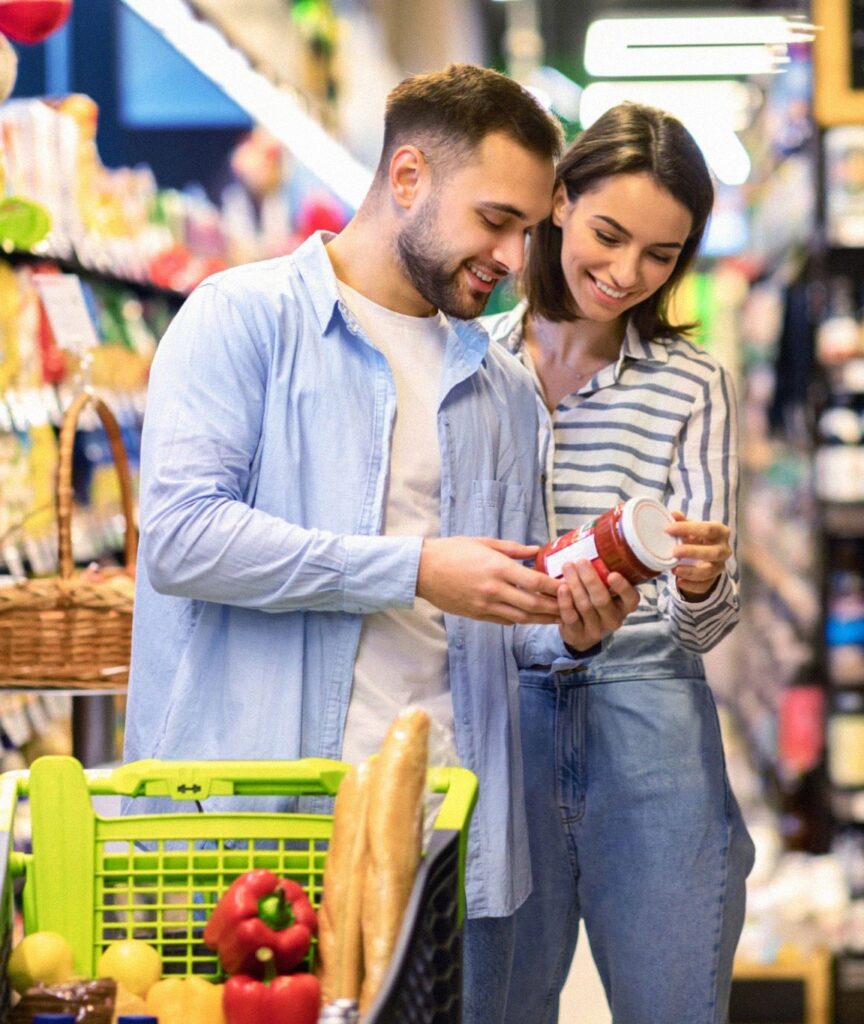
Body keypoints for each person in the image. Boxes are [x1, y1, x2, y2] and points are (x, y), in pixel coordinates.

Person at [124, 64, 640, 1021]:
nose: (514, 256)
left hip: (439, 843)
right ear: (407, 177)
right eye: (496, 220)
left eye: (530, 231)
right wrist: (412, 568)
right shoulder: (243, 319)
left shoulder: (504, 389)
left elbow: (502, 623)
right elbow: (184, 541)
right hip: (250, 832)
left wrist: (570, 625)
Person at [483, 102, 756, 1024]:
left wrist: (700, 578)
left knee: (674, 1005)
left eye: (661, 255)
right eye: (608, 234)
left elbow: (708, 626)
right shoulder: (472, 366)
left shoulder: (694, 382)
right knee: (496, 1005)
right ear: (558, 201)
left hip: (651, 723)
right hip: (499, 718)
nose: (626, 273)